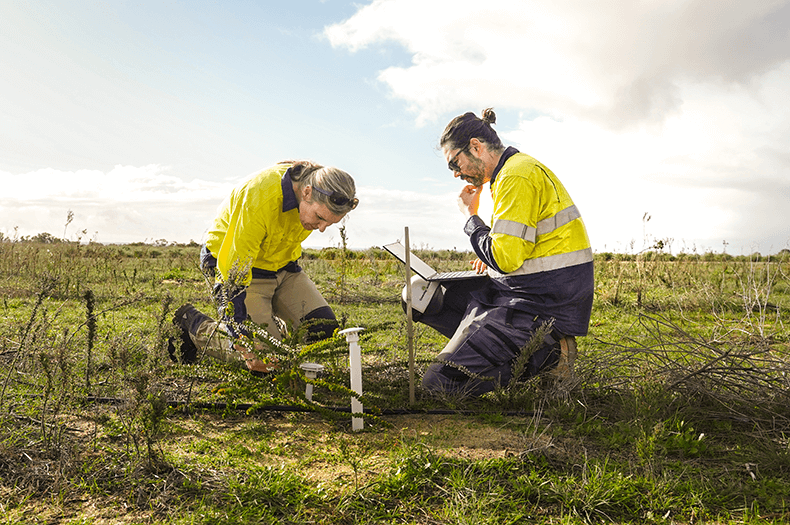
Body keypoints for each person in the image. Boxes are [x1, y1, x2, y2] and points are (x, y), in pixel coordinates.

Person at [411, 108, 594, 396]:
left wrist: (471, 218)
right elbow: (514, 252)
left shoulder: (516, 176)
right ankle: (500, 353)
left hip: (537, 308)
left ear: (475, 147)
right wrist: (490, 260)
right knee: (420, 297)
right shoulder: (510, 174)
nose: (457, 173)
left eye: (454, 164)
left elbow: (507, 258)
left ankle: (548, 356)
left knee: (436, 386)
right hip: (523, 294)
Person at [170, 160, 359, 374]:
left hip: (283, 265)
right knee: (266, 359)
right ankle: (193, 325)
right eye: (319, 218)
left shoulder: (316, 180)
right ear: (306, 192)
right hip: (239, 268)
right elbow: (231, 276)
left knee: (322, 332)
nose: (322, 229)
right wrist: (244, 341)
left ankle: (276, 339)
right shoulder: (260, 198)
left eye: (330, 223)